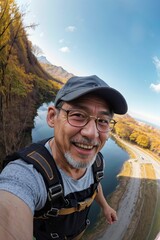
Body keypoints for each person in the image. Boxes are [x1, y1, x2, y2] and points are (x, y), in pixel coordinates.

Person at [0, 75, 128, 240]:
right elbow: (9, 208)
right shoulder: (27, 174)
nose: (92, 133)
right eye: (78, 115)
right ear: (52, 117)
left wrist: (105, 206)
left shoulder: (97, 162)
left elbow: (95, 185)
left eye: (103, 121)